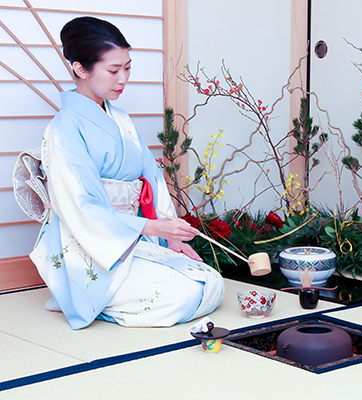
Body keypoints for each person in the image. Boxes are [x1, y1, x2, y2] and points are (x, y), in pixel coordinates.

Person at [26, 16, 224, 330]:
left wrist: (170, 236)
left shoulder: (121, 120)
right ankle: (79, 296)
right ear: (80, 69)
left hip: (135, 234)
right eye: (113, 70)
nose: (123, 79)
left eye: (127, 68)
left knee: (210, 281)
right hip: (89, 246)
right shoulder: (64, 128)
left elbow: (151, 182)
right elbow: (81, 208)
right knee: (183, 294)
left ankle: (97, 299)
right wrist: (154, 229)